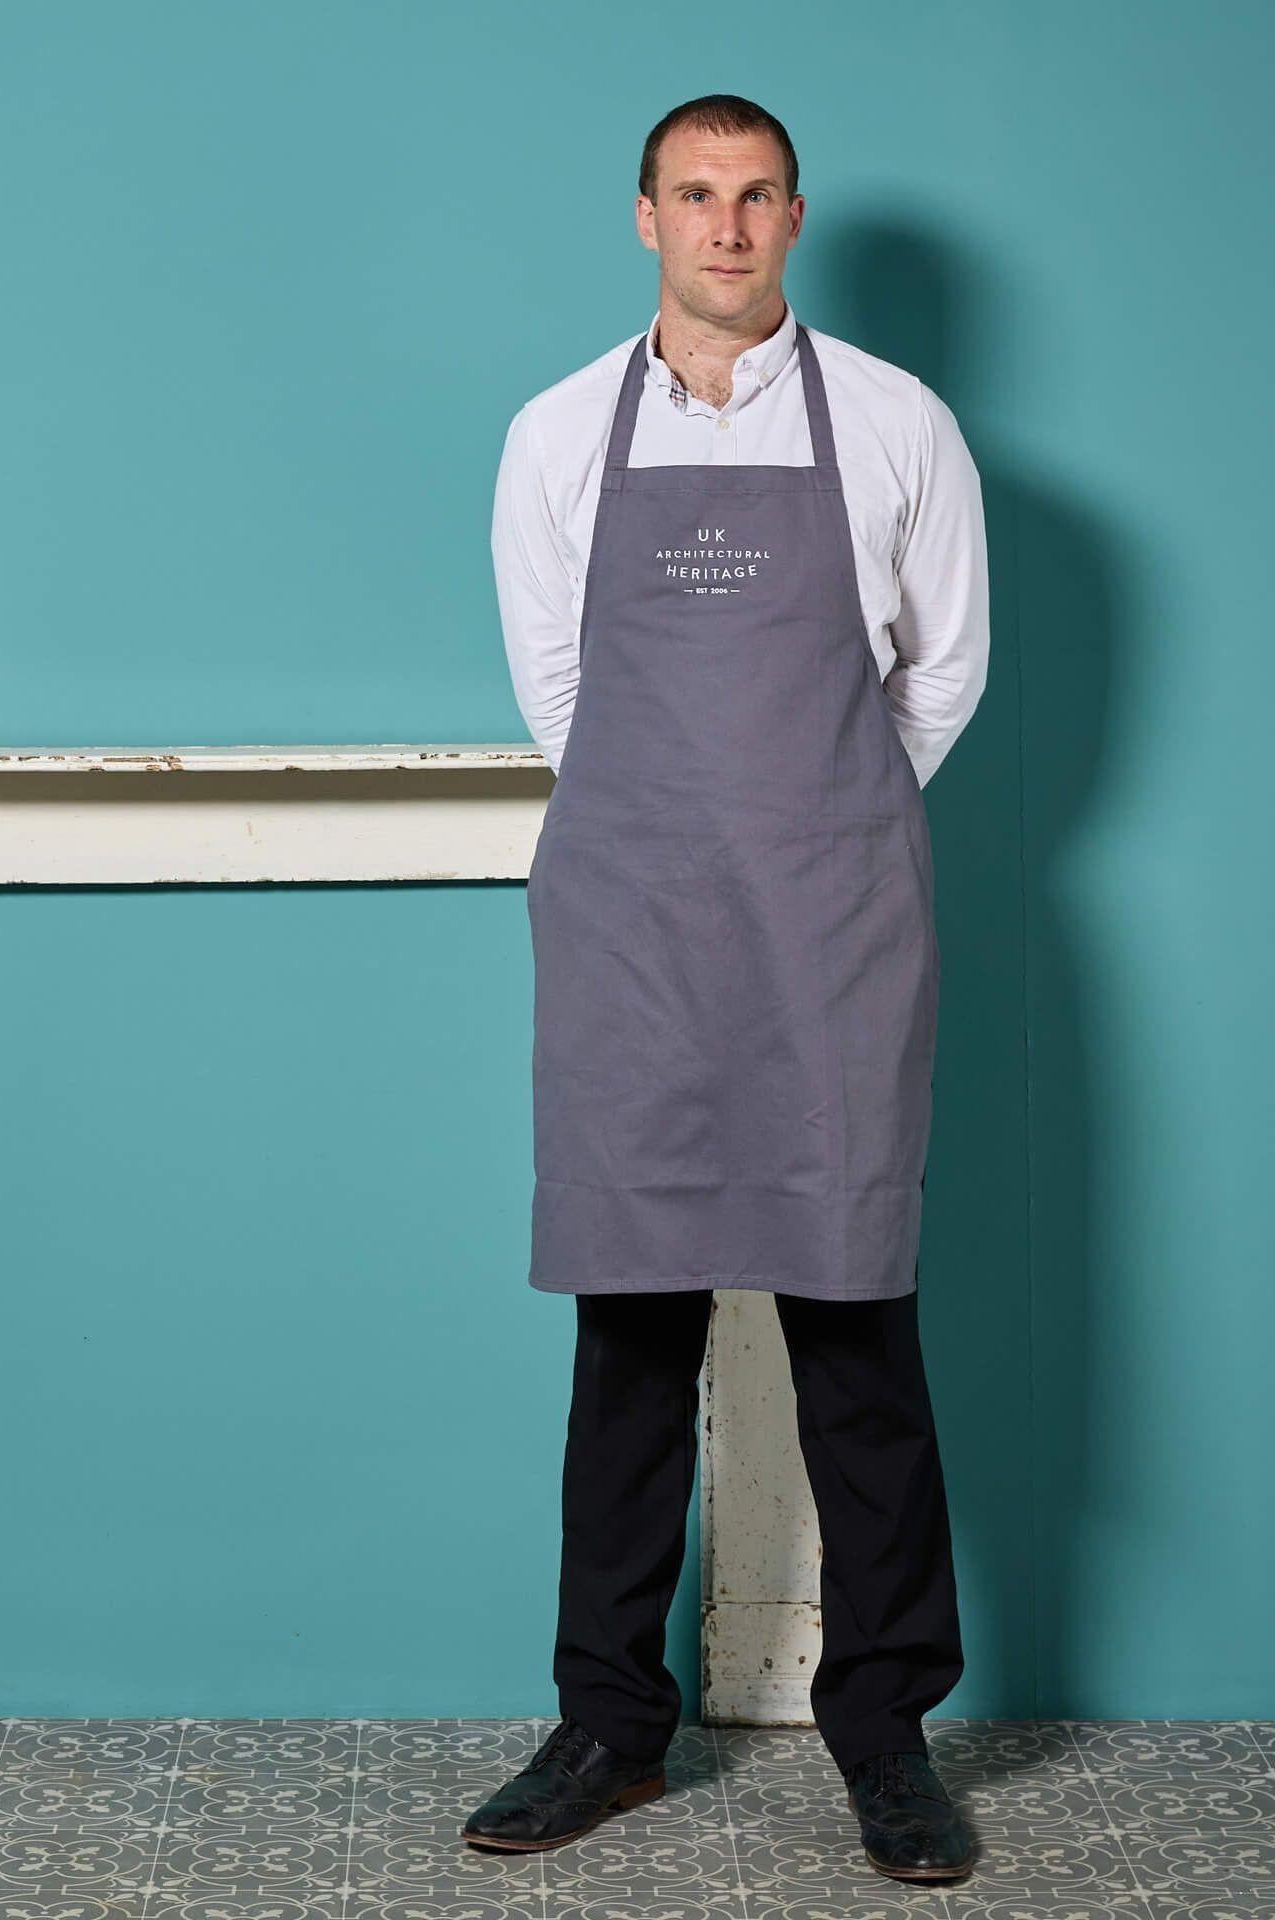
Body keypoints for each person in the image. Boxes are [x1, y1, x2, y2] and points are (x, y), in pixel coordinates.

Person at [468, 94, 989, 1883]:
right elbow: (559, 689)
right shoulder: (554, 435)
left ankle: (888, 1732)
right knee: (628, 1337)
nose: (726, 225)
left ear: (794, 216)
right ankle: (607, 1722)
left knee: (857, 1332)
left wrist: (808, 827)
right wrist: (679, 829)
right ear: (644, 219)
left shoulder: (902, 425)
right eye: (694, 196)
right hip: (630, 927)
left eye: (756, 195)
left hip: (831, 925)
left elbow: (938, 683)